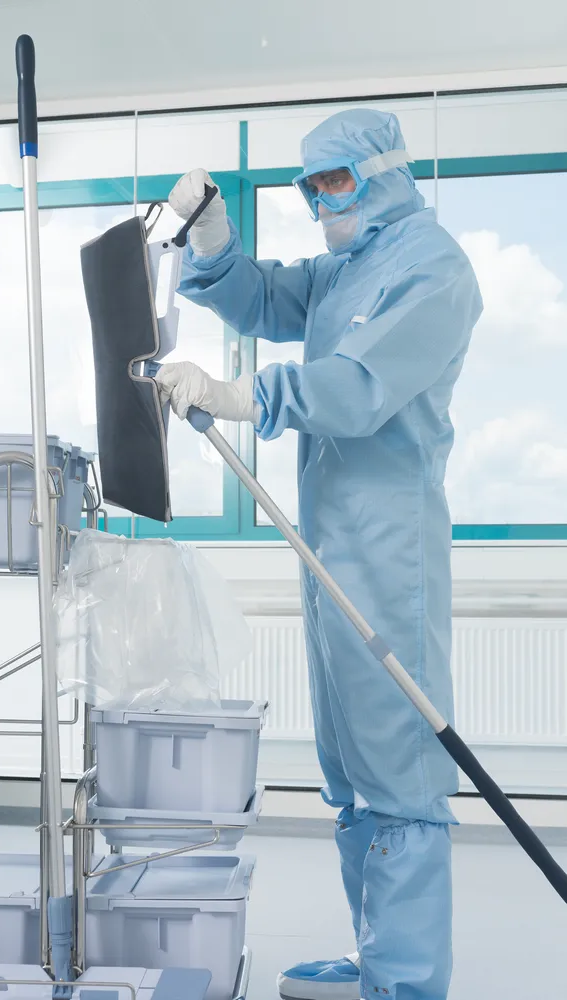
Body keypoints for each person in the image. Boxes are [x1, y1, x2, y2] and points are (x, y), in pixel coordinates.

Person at [155, 108, 483, 1000]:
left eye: (335, 181)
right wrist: (212, 237)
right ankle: (378, 955)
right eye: (309, 187)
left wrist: (237, 395)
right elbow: (265, 299)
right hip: (330, 538)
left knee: (399, 772)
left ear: (383, 173)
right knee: (349, 771)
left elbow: (359, 386)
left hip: (389, 550)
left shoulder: (432, 266)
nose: (319, 201)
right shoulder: (344, 268)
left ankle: (406, 983)